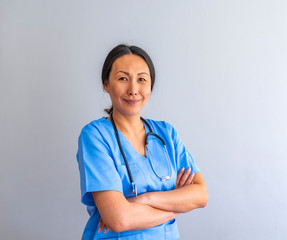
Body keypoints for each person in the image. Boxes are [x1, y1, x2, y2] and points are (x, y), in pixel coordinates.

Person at [76, 44, 208, 240]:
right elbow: (119, 219)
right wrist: (174, 208)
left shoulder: (166, 133)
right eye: (123, 79)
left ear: (150, 86)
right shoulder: (95, 136)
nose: (133, 90)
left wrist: (142, 200)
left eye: (141, 79)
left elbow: (200, 195)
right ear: (106, 84)